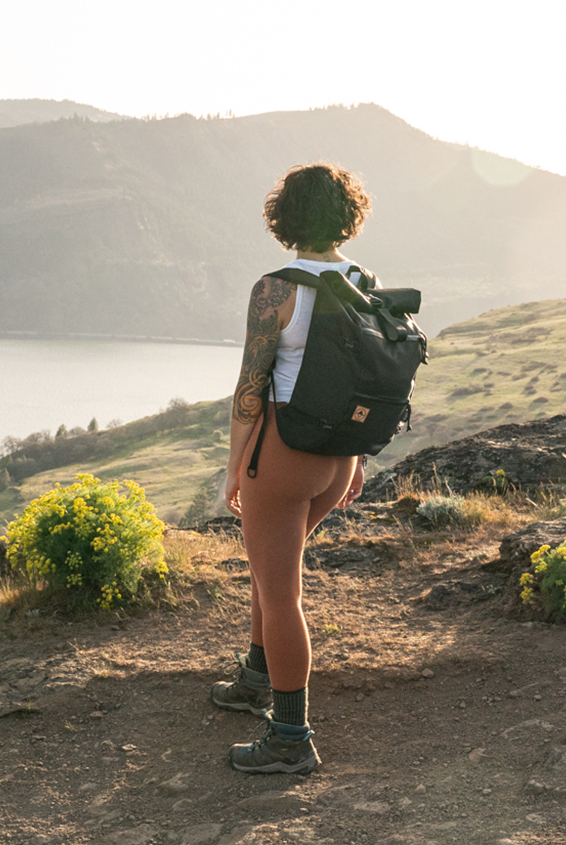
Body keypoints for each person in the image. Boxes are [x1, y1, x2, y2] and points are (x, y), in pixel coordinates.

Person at [212, 161, 372, 774]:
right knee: (270, 565)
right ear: (346, 216)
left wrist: (234, 467)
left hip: (282, 453)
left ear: (285, 218)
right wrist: (353, 462)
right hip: (335, 458)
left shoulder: (275, 289)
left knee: (282, 595)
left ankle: (289, 737)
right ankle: (257, 675)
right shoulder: (363, 281)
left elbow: (250, 389)